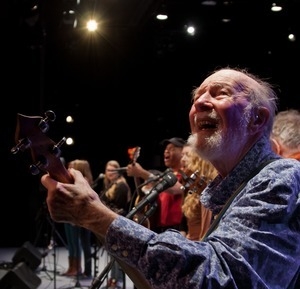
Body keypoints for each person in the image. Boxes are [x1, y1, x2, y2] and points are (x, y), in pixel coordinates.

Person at [41, 67, 300, 289]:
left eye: (220, 93)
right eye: (197, 96)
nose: (199, 102)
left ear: (257, 118)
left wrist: (95, 215)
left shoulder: (280, 176)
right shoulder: (228, 189)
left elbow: (220, 279)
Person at [126, 137, 185, 233]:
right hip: (160, 228)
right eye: (165, 149)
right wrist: (136, 175)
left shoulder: (185, 173)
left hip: (176, 229)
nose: (166, 151)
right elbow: (141, 194)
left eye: (171, 149)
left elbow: (175, 189)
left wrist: (141, 173)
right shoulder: (166, 174)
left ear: (183, 152)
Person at [98, 160, 132, 289]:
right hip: (110, 224)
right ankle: (113, 279)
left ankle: (116, 281)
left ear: (119, 172)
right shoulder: (110, 185)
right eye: (108, 170)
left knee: (117, 255)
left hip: (118, 224)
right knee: (112, 254)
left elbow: (119, 209)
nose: (110, 173)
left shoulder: (121, 186)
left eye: (113, 170)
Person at [179, 143, 218, 240]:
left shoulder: (209, 189)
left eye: (187, 155)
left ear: (199, 160)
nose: (182, 159)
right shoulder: (193, 189)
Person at [62, 159, 93, 279]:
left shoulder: (83, 181)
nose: (69, 169)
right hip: (70, 216)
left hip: (78, 217)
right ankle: (73, 267)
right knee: (72, 244)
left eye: (72, 166)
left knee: (79, 244)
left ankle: (79, 268)